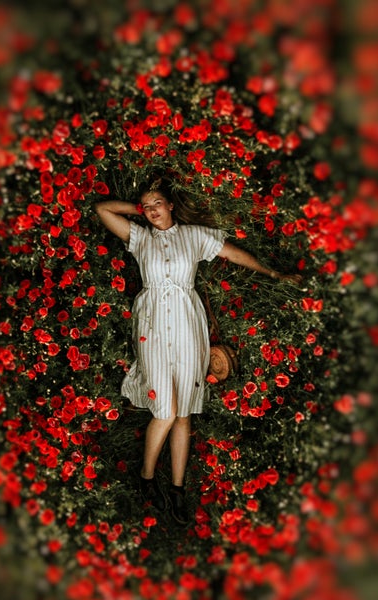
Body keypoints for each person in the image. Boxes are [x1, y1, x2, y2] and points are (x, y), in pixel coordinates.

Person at [95, 177, 301, 524]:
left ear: (171, 204)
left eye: (158, 202)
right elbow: (102, 209)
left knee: (184, 411)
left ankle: (176, 489)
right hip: (152, 326)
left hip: (190, 325)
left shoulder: (193, 236)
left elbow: (231, 253)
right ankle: (146, 477)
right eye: (147, 205)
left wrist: (273, 273)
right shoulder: (140, 237)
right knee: (167, 409)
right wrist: (141, 211)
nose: (152, 209)